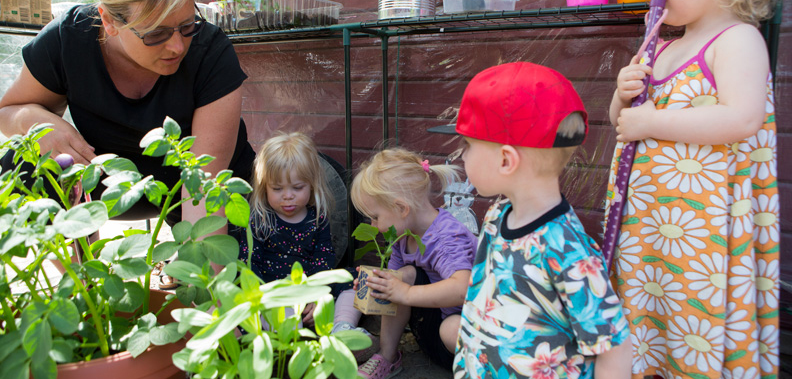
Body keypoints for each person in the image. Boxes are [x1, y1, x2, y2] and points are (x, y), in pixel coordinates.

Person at [604, 0, 788, 377]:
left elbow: (741, 118)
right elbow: (623, 122)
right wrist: (621, 94)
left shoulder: (737, 41)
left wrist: (652, 123)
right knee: (649, 307)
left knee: (692, 311)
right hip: (649, 226)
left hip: (702, 233)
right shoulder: (661, 46)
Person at [0, 0, 255, 236]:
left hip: (192, 186)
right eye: (156, 33)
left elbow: (204, 188)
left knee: (234, 254)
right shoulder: (68, 41)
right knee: (24, 163)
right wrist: (37, 122)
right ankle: (79, 262)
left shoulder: (210, 52)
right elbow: (8, 112)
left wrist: (201, 260)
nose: (177, 47)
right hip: (106, 182)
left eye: (186, 26)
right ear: (108, 21)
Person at [431, 62, 632, 379]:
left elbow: (614, 346)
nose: (463, 156)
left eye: (466, 146)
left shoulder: (568, 251)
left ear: (505, 160)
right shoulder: (497, 217)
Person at [228, 132, 379, 360]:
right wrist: (266, 298)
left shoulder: (317, 217)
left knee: (359, 279)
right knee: (254, 307)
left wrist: (317, 295)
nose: (287, 196)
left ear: (311, 184)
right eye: (277, 189)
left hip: (311, 289)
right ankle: (292, 345)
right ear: (264, 187)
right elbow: (249, 265)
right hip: (274, 294)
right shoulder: (260, 219)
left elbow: (323, 258)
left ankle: (342, 329)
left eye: (297, 188)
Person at [347, 147, 478, 379]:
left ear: (401, 208)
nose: (373, 225)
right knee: (397, 278)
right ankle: (387, 356)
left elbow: (462, 289)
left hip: (466, 341)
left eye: (375, 217)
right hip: (433, 334)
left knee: (450, 327)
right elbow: (394, 289)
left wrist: (405, 293)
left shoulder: (446, 238)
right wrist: (376, 287)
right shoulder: (403, 236)